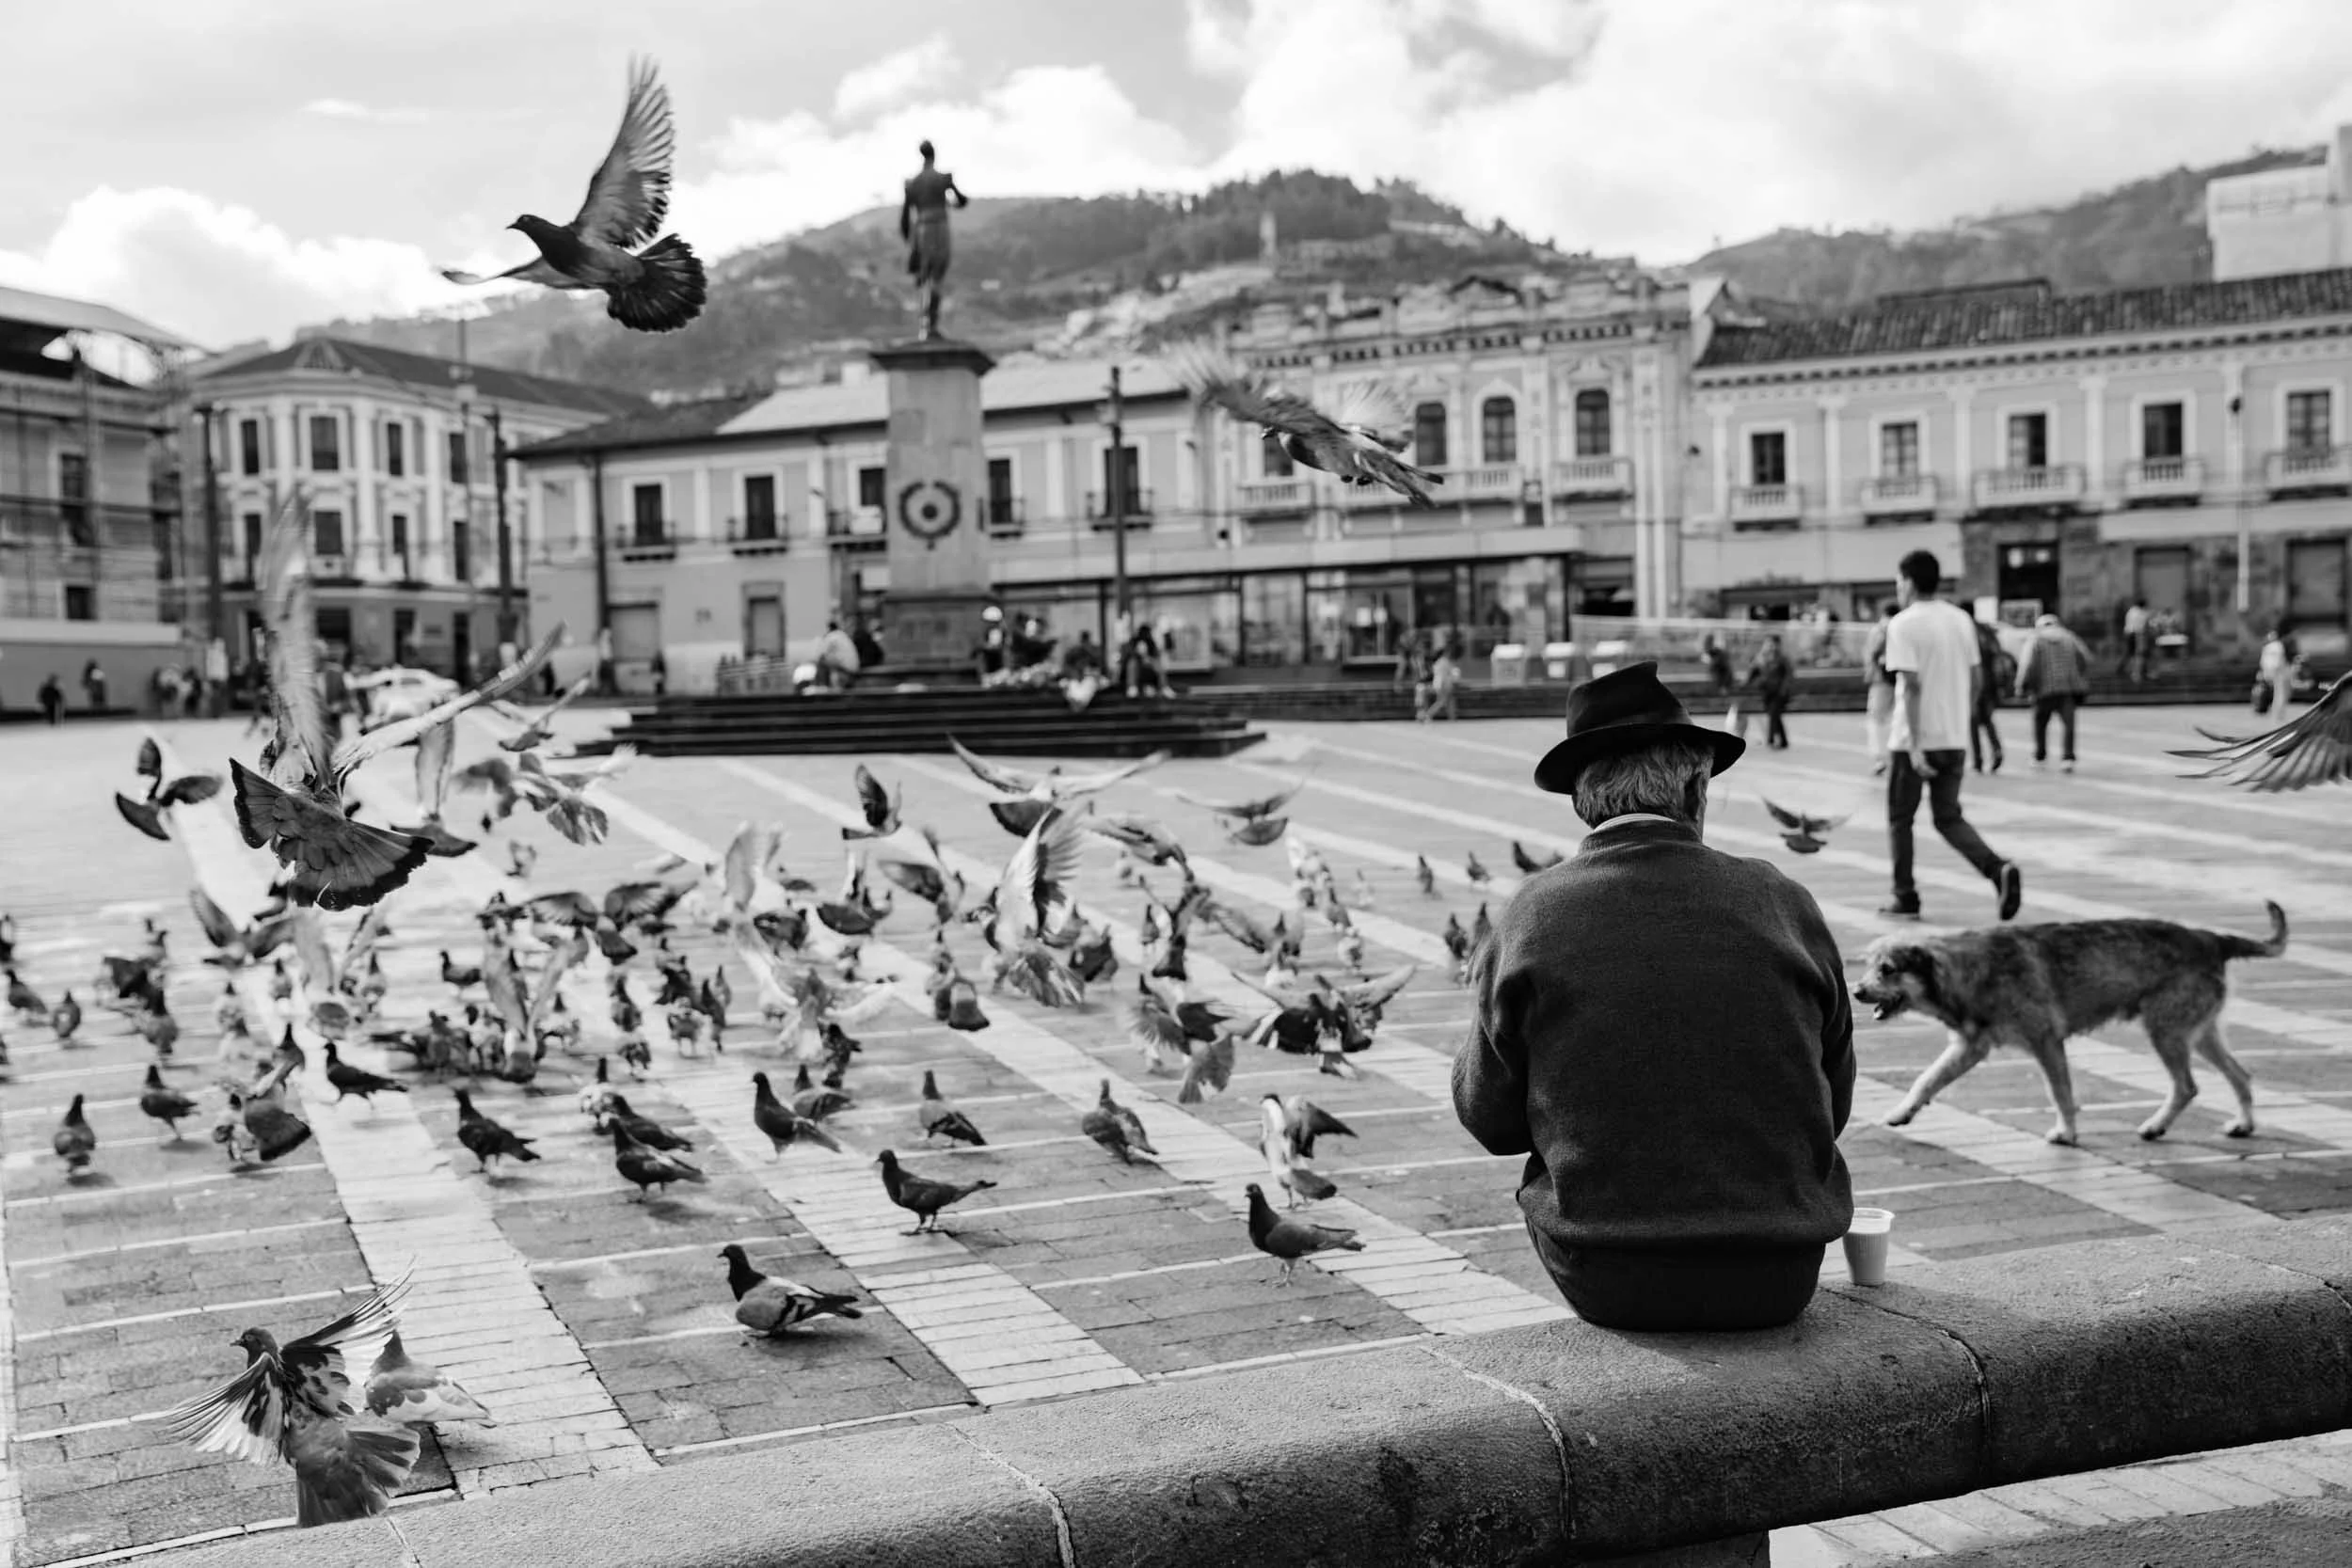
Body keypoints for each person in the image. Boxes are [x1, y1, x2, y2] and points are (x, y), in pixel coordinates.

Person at [1453, 661, 1854, 1331]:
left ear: (1584, 800)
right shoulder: (1785, 901)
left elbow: (1487, 1118)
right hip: (1779, 1273)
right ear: (1695, 786)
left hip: (1609, 1275)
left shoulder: (1532, 915)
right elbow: (1831, 1106)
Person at [1883, 550, 2022, 924]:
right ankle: (1997, 869)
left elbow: (1910, 687)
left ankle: (1905, 895)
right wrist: (1960, 721)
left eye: (1899, 581)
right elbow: (1976, 680)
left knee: (1901, 819)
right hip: (1954, 738)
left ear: (1909, 581)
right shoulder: (1962, 620)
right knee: (1948, 817)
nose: (1898, 588)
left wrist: (1913, 747)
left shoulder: (1903, 624)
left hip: (1913, 741)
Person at [2016, 612, 2092, 772]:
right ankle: (2068, 758)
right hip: (2066, 688)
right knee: (2069, 726)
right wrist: (2077, 675)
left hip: (2043, 690)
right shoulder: (2069, 637)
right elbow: (2086, 658)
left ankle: (2040, 757)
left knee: (2040, 725)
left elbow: (2027, 664)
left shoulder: (2035, 639)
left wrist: (2021, 685)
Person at [1967, 616, 2010, 774]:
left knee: (1972, 721)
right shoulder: (1985, 630)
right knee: (1987, 719)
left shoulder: (1966, 630)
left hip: (1971, 681)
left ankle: (1978, 760)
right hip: (1989, 682)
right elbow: (1998, 654)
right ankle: (1996, 749)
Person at [1862, 599, 1898, 775]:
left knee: (1875, 720)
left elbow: (1869, 656)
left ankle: (1879, 758)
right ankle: (1895, 755)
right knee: (1895, 719)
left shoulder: (1878, 630)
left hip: (1879, 681)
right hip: (1898, 679)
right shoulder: (1901, 628)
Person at [1745, 634, 1792, 750]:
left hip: (1779, 692)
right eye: (1768, 643)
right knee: (1775, 715)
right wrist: (1745, 685)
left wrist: (1784, 690)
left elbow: (1789, 676)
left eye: (1773, 644)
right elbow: (1751, 672)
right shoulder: (1760, 658)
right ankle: (1784, 741)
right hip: (1766, 692)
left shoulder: (1782, 659)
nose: (1771, 646)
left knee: (1773, 714)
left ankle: (1770, 740)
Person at [2257, 626, 2295, 719]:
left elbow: (2262, 662)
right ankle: (2278, 713)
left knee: (2279, 693)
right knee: (2281, 694)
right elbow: (2279, 660)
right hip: (2280, 672)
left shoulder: (2267, 647)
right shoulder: (2278, 646)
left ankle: (2277, 713)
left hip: (2272, 672)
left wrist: (2265, 672)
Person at [1422, 638, 1462, 723]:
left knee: (1450, 700)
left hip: (1442, 684)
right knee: (1441, 701)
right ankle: (1427, 715)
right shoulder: (1443, 662)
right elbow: (1444, 676)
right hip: (1442, 685)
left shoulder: (1442, 662)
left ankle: (1452, 717)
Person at [816, 621, 861, 691]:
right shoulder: (843, 635)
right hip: (854, 669)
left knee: (821, 661)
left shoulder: (831, 636)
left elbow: (821, 655)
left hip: (845, 671)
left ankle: (822, 686)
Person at [2121, 597, 2150, 683]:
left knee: (2131, 654)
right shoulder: (2142, 612)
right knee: (2139, 654)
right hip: (2137, 634)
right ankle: (2136, 674)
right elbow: (2145, 625)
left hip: (2128, 633)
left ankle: (2140, 671)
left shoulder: (2131, 611)